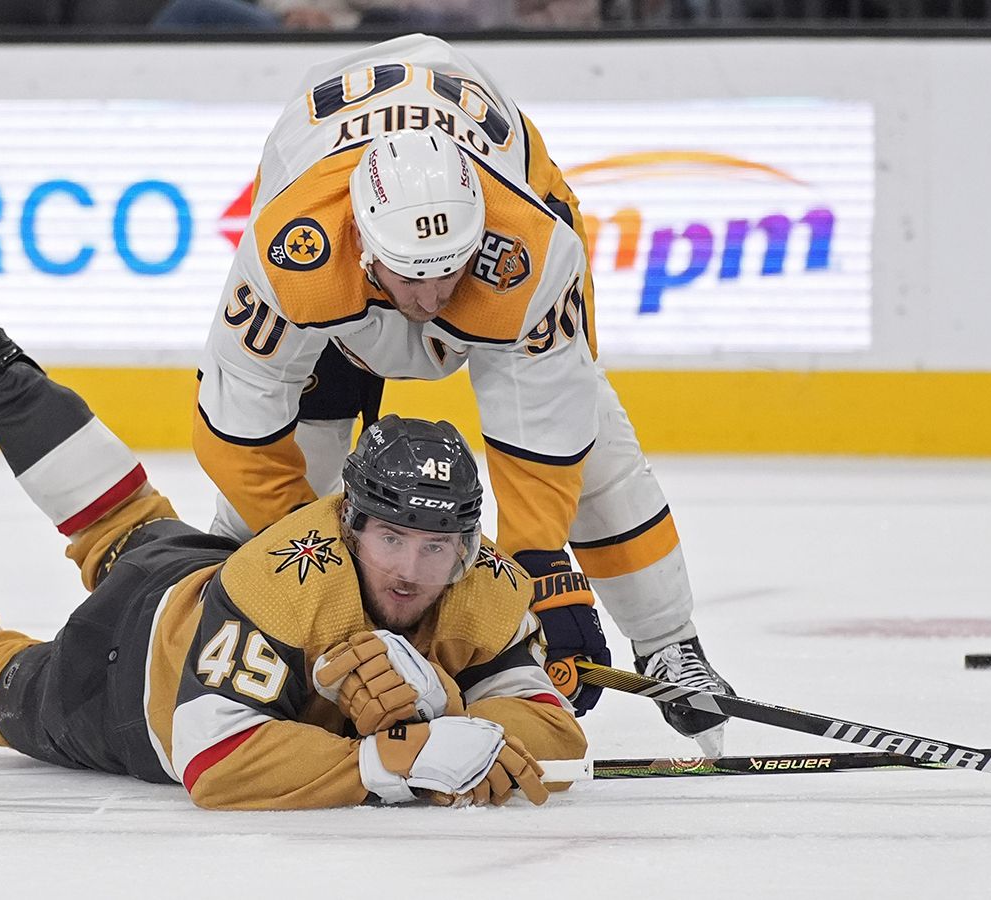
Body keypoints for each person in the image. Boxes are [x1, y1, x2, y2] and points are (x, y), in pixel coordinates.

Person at [0, 245, 586, 810]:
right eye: (392, 539)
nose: (411, 568)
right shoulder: (286, 585)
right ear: (349, 524)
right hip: (123, 683)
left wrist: (448, 710)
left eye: (436, 547)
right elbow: (213, 757)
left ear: (468, 547)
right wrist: (385, 761)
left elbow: (557, 734)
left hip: (191, 569)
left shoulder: (485, 589)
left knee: (116, 512)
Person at [193, 33, 733, 751]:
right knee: (285, 477)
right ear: (364, 244)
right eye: (413, 274)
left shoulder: (533, 247)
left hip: (486, 232)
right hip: (340, 288)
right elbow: (238, 433)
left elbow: (548, 429)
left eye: (450, 268)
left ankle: (671, 643)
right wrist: (317, 571)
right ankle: (218, 626)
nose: (432, 298)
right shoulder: (292, 251)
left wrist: (540, 567)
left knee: (596, 447)